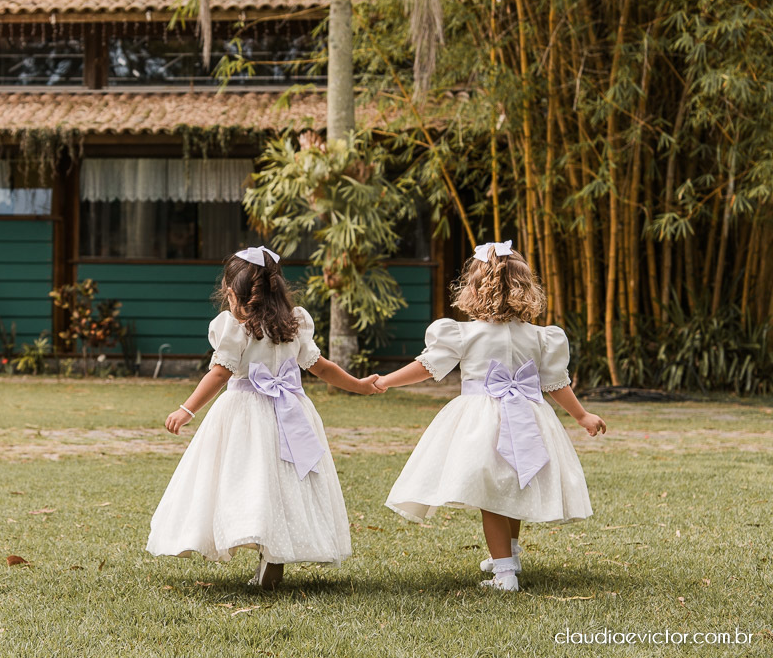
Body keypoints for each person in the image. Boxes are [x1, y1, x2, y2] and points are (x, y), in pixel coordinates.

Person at [372, 240, 606, 592]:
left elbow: (427, 367)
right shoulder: (542, 337)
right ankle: (508, 552)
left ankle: (504, 573)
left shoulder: (463, 333)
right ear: (525, 289)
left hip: (480, 421)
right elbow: (555, 383)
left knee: (492, 495)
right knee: (510, 484)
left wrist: (386, 380)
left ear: (474, 289)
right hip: (529, 417)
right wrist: (582, 415)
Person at [147, 246, 383, 589]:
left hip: (244, 415)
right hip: (291, 412)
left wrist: (187, 409)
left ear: (231, 292)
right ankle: (273, 558)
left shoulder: (234, 326)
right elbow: (321, 367)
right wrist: (358, 385)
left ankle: (260, 547)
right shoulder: (295, 321)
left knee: (248, 480)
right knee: (284, 484)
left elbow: (219, 373)